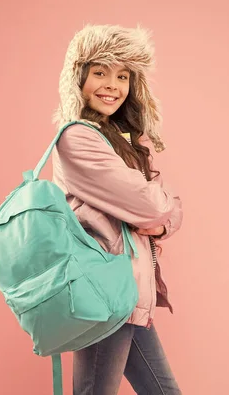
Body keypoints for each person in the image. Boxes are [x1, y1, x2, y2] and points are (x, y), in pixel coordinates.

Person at [51, 24, 183, 395]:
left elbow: (155, 208)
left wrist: (159, 215)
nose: (112, 85)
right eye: (100, 72)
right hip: (104, 292)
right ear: (78, 78)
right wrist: (162, 212)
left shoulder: (120, 142)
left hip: (127, 296)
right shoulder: (77, 137)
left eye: (122, 76)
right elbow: (153, 204)